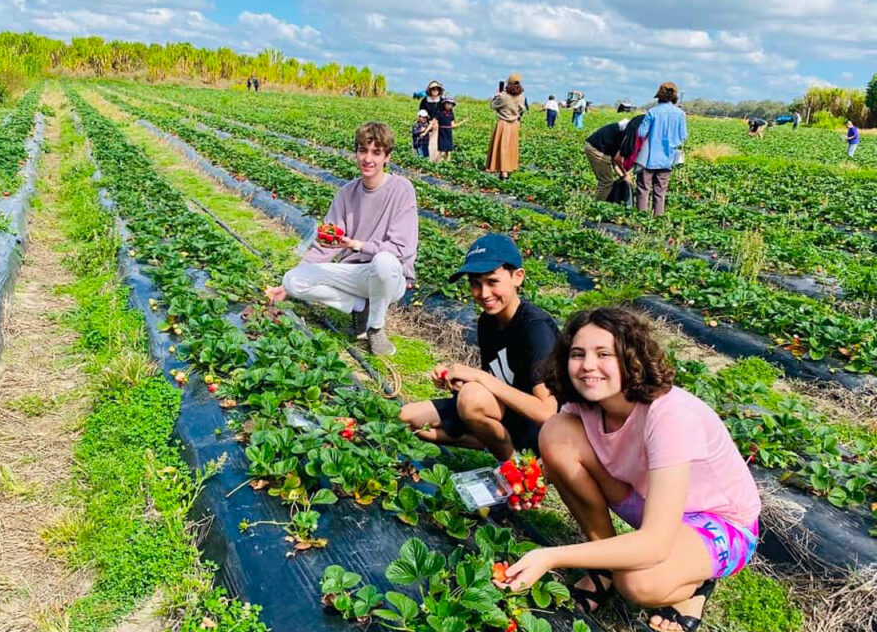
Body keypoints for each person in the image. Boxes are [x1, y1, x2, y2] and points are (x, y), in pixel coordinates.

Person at [495, 307, 761, 632]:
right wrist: (523, 482)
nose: (588, 365)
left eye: (603, 353)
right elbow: (558, 460)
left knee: (638, 581)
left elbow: (655, 543)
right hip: (647, 501)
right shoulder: (585, 404)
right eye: (577, 354)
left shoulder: (670, 415)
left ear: (630, 359)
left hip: (719, 522)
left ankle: (695, 586)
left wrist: (551, 556)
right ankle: (605, 569)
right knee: (555, 433)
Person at [398, 234, 559, 461]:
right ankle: (496, 442)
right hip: (506, 413)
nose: (483, 294)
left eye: (493, 282)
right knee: (410, 419)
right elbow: (497, 385)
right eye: (475, 283)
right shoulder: (487, 322)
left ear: (517, 277)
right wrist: (457, 382)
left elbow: (547, 413)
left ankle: (515, 465)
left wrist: (478, 377)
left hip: (537, 427)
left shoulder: (535, 328)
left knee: (471, 399)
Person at [265, 122, 418, 356]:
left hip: (390, 276)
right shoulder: (347, 193)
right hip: (357, 275)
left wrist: (357, 245)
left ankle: (375, 329)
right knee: (293, 280)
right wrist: (286, 288)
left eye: (376, 152)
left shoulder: (401, 189)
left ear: (387, 156)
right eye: (362, 150)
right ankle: (359, 307)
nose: (368, 159)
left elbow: (402, 249)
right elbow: (325, 244)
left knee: (384, 261)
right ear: (355, 152)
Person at [636, 82, 687, 216]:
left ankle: (641, 219)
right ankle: (658, 219)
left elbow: (641, 133)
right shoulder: (680, 114)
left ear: (659, 95)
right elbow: (683, 136)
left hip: (648, 158)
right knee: (660, 192)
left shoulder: (653, 112)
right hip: (667, 159)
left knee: (643, 188)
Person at [486, 73, 528, 180]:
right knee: (511, 149)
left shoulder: (503, 97)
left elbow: (493, 105)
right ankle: (509, 169)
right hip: (514, 125)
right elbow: (522, 109)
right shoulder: (521, 97)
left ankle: (503, 172)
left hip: (503, 124)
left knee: (502, 148)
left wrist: (496, 95)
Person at [584, 119, 632, 201]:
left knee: (607, 180)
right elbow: (618, 160)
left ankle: (602, 202)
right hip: (596, 149)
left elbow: (615, 162)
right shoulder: (626, 135)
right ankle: (597, 206)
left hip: (596, 147)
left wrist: (623, 176)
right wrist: (626, 174)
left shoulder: (623, 130)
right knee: (606, 182)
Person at [434, 97, 468, 163]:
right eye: (448, 103)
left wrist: (463, 122)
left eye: (451, 104)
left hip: (449, 134)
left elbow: (453, 126)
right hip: (442, 134)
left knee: (449, 152)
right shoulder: (439, 113)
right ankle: (435, 164)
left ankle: (447, 165)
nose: (449, 105)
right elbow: (434, 122)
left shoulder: (451, 114)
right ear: (444, 104)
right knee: (442, 152)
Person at [419, 80, 446, 159]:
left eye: (437, 89)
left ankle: (436, 159)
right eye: (433, 89)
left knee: (437, 143)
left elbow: (445, 113)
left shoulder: (442, 101)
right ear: (430, 90)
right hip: (427, 123)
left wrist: (437, 121)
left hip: (439, 125)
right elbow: (421, 113)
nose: (435, 91)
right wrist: (426, 122)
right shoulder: (425, 101)